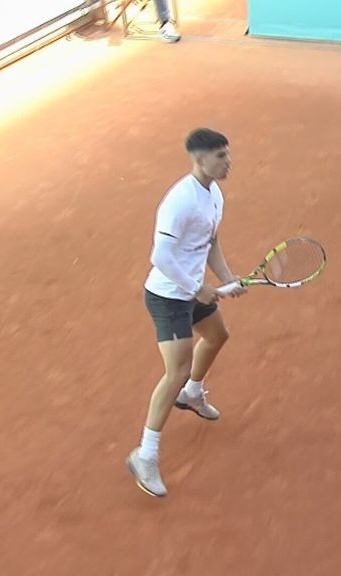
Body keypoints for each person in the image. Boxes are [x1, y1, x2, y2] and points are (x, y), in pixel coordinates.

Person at [127, 128, 246, 497]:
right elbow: (159, 257)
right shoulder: (180, 201)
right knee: (175, 370)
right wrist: (198, 288)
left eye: (228, 154)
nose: (229, 162)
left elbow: (210, 240)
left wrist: (226, 277)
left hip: (191, 290)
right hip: (167, 296)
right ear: (200, 159)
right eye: (221, 156)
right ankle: (144, 455)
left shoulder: (214, 195)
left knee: (217, 336)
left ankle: (192, 394)